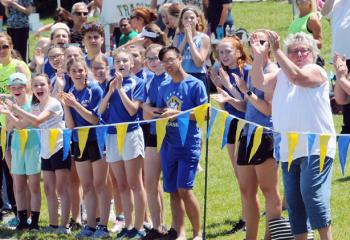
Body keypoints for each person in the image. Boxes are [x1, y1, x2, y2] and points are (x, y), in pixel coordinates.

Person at [251, 31, 335, 240]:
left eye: (303, 51)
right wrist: (259, 56)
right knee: (294, 201)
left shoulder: (316, 70)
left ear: (312, 54)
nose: (298, 54)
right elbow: (258, 82)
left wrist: (278, 51)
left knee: (312, 196)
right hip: (289, 149)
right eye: (293, 51)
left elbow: (299, 78)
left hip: (316, 146)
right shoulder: (281, 75)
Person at [8, 74, 71, 234]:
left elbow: (37, 122)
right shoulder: (36, 107)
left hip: (59, 147)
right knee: (49, 189)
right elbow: (21, 125)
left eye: (42, 85)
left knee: (62, 189)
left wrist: (16, 109)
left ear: (49, 86)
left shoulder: (54, 103)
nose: (39, 88)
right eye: (35, 85)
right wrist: (8, 113)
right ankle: (53, 225)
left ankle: (64, 226)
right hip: (46, 150)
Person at [156, 46, 208, 240]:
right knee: (172, 191)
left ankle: (198, 233)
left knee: (185, 189)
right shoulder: (164, 87)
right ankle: (180, 232)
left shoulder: (195, 84)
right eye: (164, 62)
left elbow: (205, 115)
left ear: (180, 58)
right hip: (168, 144)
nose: (168, 65)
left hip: (189, 143)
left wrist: (177, 114)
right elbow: (161, 110)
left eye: (171, 60)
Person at [98, 49, 147, 239]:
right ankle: (128, 224)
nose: (122, 63)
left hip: (130, 134)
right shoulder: (109, 84)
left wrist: (120, 89)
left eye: (125, 60)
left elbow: (133, 110)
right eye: (118, 61)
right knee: (122, 184)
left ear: (131, 63)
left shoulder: (138, 82)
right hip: (111, 135)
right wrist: (111, 90)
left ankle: (139, 225)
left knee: (135, 183)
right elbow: (101, 111)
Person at [61, 58, 110, 238]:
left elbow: (94, 119)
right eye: (74, 71)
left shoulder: (94, 89)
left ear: (85, 71)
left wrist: (75, 104)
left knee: (100, 185)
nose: (78, 74)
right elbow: (71, 126)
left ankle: (103, 226)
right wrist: (66, 107)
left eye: (81, 70)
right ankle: (90, 226)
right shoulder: (71, 92)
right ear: (69, 74)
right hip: (79, 141)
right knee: (87, 185)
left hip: (96, 140)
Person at [0, 73, 41, 231]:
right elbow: (10, 127)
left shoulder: (33, 102)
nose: (17, 90)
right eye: (14, 87)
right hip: (17, 147)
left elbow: (24, 125)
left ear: (27, 87)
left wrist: (11, 113)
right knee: (18, 186)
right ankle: (22, 220)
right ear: (10, 89)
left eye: (21, 87)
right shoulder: (11, 104)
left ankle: (35, 222)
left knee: (34, 186)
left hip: (33, 146)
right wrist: (11, 114)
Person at [141, 44, 168, 239]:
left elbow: (167, 110)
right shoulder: (149, 81)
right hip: (152, 134)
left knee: (174, 186)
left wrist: (152, 109)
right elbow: (146, 114)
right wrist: (153, 110)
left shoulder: (172, 79)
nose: (154, 62)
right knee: (150, 183)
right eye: (149, 59)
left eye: (157, 57)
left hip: (172, 133)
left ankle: (173, 226)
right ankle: (157, 226)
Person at [321, 0, 350, 135]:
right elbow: (324, 12)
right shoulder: (336, 3)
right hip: (341, 59)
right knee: (342, 98)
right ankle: (348, 125)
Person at [173, 7, 210, 89]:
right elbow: (174, 59)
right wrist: (185, 40)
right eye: (185, 18)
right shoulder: (178, 36)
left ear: (197, 20)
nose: (189, 20)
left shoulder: (204, 38)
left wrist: (190, 41)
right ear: (182, 21)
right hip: (181, 76)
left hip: (198, 76)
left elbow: (199, 63)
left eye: (192, 18)